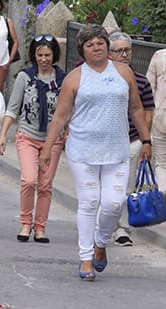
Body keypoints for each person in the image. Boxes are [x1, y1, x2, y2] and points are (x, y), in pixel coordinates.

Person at [39, 25, 151, 280]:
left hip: (117, 150)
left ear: (107, 46)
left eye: (100, 42)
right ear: (83, 51)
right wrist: (47, 148)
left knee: (113, 204)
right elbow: (59, 117)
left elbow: (136, 108)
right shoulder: (75, 78)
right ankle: (86, 258)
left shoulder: (123, 73)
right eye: (90, 45)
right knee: (89, 202)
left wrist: (146, 140)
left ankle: (101, 243)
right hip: (83, 150)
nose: (96, 47)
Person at [0, 35, 66, 243]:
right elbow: (13, 108)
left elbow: (68, 111)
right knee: (29, 180)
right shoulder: (25, 77)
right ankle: (26, 222)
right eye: (39, 55)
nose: (43, 59)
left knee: (45, 185)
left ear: (54, 56)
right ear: (33, 56)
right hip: (28, 135)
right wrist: (2, 135)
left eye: (47, 55)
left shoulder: (62, 80)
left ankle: (40, 227)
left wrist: (68, 132)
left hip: (53, 139)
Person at [108, 32, 154, 247]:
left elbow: (147, 111)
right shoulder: (103, 79)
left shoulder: (142, 81)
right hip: (106, 142)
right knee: (107, 187)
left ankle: (122, 229)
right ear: (110, 54)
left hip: (132, 140)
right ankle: (106, 224)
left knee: (126, 188)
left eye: (127, 50)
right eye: (119, 51)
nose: (124, 54)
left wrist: (145, 140)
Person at [148, 49, 166, 190]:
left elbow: (149, 89)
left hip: (161, 116)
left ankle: (163, 198)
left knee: (162, 163)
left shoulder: (160, 56)